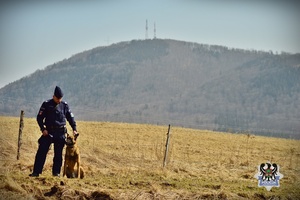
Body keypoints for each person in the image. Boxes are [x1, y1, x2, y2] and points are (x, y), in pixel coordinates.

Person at [29, 86, 77, 177]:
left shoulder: (64, 105)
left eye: (60, 98)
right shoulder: (46, 104)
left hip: (60, 132)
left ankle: (56, 173)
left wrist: (74, 129)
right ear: (53, 96)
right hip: (49, 132)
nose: (59, 100)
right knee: (41, 152)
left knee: (58, 155)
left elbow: (70, 118)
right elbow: (39, 118)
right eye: (57, 98)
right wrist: (43, 129)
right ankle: (36, 172)